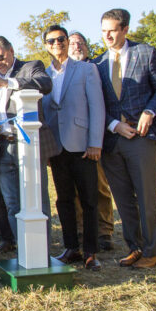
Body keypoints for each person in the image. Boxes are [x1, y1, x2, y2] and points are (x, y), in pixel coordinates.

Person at [92, 8, 156, 269]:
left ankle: (152, 250)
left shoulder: (145, 53)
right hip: (113, 141)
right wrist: (114, 125)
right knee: (123, 199)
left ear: (125, 29)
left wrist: (150, 111)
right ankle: (135, 248)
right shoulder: (98, 64)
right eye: (104, 31)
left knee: (146, 197)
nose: (108, 36)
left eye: (112, 30)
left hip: (142, 137)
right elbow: (95, 105)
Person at [0, 36, 58, 243]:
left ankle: (42, 250)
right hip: (2, 147)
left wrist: (8, 82)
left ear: (11, 50)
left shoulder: (31, 67)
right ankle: (23, 247)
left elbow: (45, 84)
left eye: (0, 58)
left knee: (37, 200)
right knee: (12, 202)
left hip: (28, 145)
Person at [41, 26, 106, 271]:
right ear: (46, 45)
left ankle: (90, 251)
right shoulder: (44, 76)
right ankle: (71, 248)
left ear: (68, 42)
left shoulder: (86, 69)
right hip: (57, 148)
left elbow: (97, 107)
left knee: (89, 199)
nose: (57, 43)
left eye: (61, 39)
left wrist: (95, 143)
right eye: (51, 41)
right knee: (64, 199)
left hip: (82, 145)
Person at [68, 31, 115, 251]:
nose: (77, 46)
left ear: (87, 47)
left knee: (99, 187)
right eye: (73, 43)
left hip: (93, 139)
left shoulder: (95, 69)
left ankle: (104, 231)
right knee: (74, 191)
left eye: (81, 43)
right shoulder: (60, 74)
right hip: (69, 141)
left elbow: (100, 106)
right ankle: (80, 229)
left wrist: (96, 140)